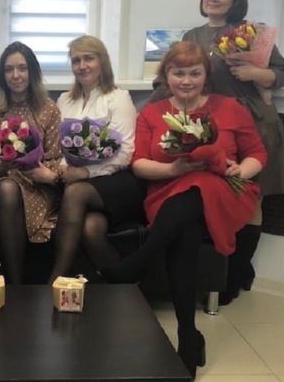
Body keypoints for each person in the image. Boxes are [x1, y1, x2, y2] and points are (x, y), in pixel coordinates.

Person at [101, 41, 267, 379]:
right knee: (185, 231)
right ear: (166, 75)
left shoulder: (231, 108)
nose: (187, 81)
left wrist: (241, 170)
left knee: (200, 183)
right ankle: (188, 336)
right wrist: (173, 170)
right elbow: (139, 164)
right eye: (179, 73)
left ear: (206, 76)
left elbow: (257, 153)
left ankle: (139, 261)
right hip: (167, 193)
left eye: (195, 73)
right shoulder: (152, 112)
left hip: (224, 189)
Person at [164, 0, 284, 305]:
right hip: (212, 128)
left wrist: (257, 73)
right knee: (220, 198)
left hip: (254, 123)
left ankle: (234, 277)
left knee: (250, 199)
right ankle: (227, 271)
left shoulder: (251, 33)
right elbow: (172, 75)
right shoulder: (191, 36)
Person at [47, 35, 145, 283]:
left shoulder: (119, 97)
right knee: (91, 229)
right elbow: (58, 147)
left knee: (75, 192)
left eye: (88, 58)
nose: (82, 66)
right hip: (75, 179)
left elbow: (125, 153)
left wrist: (86, 173)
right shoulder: (64, 100)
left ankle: (56, 279)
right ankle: (125, 286)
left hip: (115, 180)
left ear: (102, 61)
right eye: (76, 60)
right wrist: (62, 169)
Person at [0, 42, 63, 284]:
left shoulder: (48, 109)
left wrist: (47, 174)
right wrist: (3, 166)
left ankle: (6, 281)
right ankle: (17, 286)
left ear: (32, 71)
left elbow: (55, 157)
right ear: (2, 75)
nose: (15, 75)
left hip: (37, 185)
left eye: (22, 68)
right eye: (9, 69)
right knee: (7, 188)